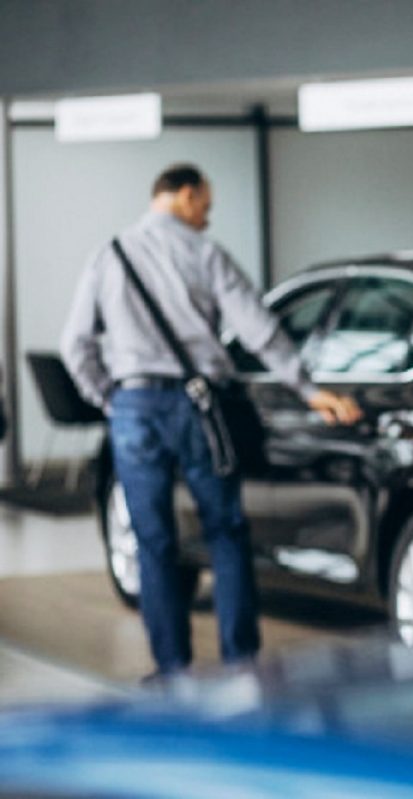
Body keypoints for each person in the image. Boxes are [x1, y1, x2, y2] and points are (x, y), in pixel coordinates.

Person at [60, 163, 362, 677]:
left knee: (152, 539)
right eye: (205, 205)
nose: (207, 217)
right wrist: (309, 389)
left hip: (133, 409)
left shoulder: (107, 256)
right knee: (225, 531)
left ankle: (172, 670)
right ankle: (240, 664)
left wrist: (110, 398)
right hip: (198, 406)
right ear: (183, 195)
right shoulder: (204, 254)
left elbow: (75, 344)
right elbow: (257, 328)